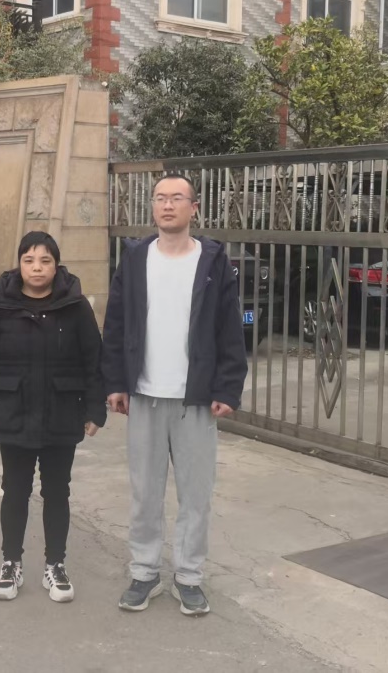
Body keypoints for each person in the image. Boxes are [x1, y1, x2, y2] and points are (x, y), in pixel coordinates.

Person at [101, 173, 248, 616]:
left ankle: (189, 577)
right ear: (152, 206)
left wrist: (227, 387)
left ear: (194, 207)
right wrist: (115, 382)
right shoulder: (135, 258)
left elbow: (229, 327)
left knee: (195, 495)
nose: (168, 205)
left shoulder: (212, 261)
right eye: (160, 198)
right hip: (144, 395)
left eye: (177, 198)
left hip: (195, 398)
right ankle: (144, 572)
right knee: (145, 493)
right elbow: (116, 323)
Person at [0, 231, 106, 603]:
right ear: (19, 264)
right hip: (13, 413)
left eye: (45, 260)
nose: (37, 268)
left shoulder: (75, 306)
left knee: (57, 492)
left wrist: (95, 409)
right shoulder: (0, 307)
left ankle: (55, 564)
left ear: (56, 265)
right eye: (29, 260)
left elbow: (94, 361)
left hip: (62, 413)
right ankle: (10, 563)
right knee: (14, 491)